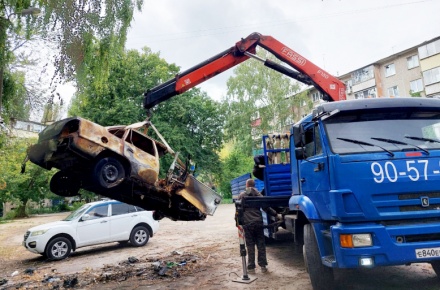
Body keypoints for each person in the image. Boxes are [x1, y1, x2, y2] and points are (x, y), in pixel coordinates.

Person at [237, 178, 278, 273]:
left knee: (250, 245)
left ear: (246, 185)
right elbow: (266, 208)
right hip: (258, 223)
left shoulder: (242, 195)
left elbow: (238, 210)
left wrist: (238, 223)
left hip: (247, 224)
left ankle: (251, 267)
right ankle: (263, 266)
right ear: (254, 186)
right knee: (261, 245)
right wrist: (276, 214)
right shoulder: (259, 195)